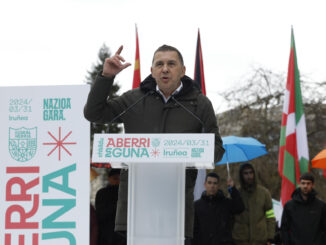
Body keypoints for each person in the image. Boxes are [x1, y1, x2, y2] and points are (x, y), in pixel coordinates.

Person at [84, 44, 225, 240]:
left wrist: (193, 151)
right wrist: (106, 77)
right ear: (152, 71)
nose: (165, 68)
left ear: (183, 70)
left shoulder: (200, 104)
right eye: (159, 64)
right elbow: (93, 113)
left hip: (176, 206)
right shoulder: (132, 99)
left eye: (171, 63)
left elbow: (217, 148)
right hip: (136, 206)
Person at [193, 172, 244, 245]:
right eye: (209, 183)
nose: (212, 186)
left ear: (218, 185)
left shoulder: (226, 203)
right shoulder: (197, 206)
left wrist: (233, 189)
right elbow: (194, 230)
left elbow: (240, 207)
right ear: (205, 185)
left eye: (215, 183)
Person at [232, 162, 275, 245]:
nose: (249, 176)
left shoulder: (264, 193)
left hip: (260, 239)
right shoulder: (235, 193)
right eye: (245, 173)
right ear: (241, 175)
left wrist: (270, 236)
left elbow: (270, 216)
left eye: (251, 172)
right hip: (239, 239)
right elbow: (230, 218)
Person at [281, 172, 326, 245]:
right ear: (299, 184)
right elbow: (284, 228)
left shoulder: (321, 206)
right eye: (303, 183)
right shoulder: (289, 206)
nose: (305, 186)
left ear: (312, 185)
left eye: (308, 183)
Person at [95, 168, 125, 245]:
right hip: (108, 232)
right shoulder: (103, 193)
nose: (118, 181)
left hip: (115, 233)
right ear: (109, 179)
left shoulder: (102, 193)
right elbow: (101, 212)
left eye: (121, 179)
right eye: (115, 178)